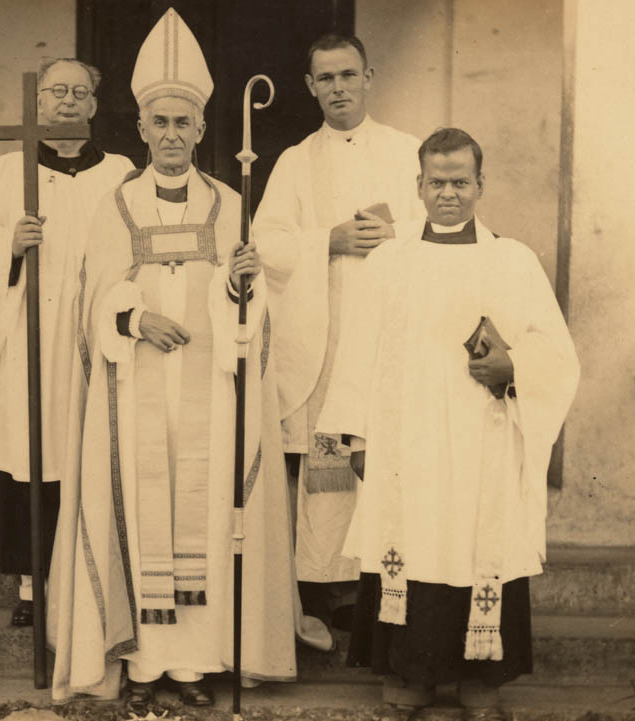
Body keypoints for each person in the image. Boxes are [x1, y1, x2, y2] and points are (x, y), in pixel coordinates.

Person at [48, 8, 297, 711]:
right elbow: (92, 302)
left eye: (182, 124)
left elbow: (249, 312)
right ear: (139, 130)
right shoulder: (115, 205)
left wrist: (242, 284)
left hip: (212, 397)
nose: (170, 136)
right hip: (135, 395)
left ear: (199, 130)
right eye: (158, 124)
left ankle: (191, 664)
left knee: (208, 515)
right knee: (140, 508)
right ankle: (144, 662)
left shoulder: (227, 205)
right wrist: (134, 316)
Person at [316, 128, 579, 718]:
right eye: (437, 182)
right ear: (419, 186)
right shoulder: (388, 262)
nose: (449, 194)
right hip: (406, 446)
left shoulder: (512, 261)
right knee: (411, 546)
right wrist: (358, 438)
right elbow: (359, 349)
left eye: (461, 182)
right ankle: (408, 679)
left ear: (480, 185)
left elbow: (557, 353)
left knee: (474, 546)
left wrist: (514, 366)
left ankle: (479, 685)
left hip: (482, 440)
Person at [253, 34, 423, 631]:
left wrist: (395, 237)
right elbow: (267, 240)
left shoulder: (408, 153)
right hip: (326, 335)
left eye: (348, 75)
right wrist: (326, 239)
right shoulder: (296, 161)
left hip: (389, 336)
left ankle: (385, 584)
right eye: (325, 79)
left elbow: (441, 227)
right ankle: (327, 587)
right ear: (309, 86)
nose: (338, 88)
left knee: (388, 455)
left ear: (369, 77)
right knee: (329, 465)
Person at [0, 57, 133, 627]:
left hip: (93, 339)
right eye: (55, 90)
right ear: (37, 103)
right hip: (29, 340)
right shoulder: (6, 173)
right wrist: (6, 248)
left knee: (86, 448)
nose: (65, 101)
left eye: (78, 92)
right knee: (32, 453)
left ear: (93, 106)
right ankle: (34, 588)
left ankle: (85, 581)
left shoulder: (121, 173)